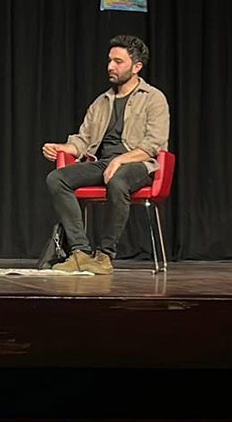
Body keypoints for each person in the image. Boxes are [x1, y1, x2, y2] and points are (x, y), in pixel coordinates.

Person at [42, 35, 169, 274]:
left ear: (136, 67)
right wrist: (63, 147)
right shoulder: (101, 102)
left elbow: (153, 144)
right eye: (110, 60)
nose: (110, 66)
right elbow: (84, 140)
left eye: (118, 62)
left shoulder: (153, 98)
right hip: (103, 164)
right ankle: (80, 252)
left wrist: (120, 160)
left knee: (118, 180)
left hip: (139, 165)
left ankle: (105, 255)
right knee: (57, 178)